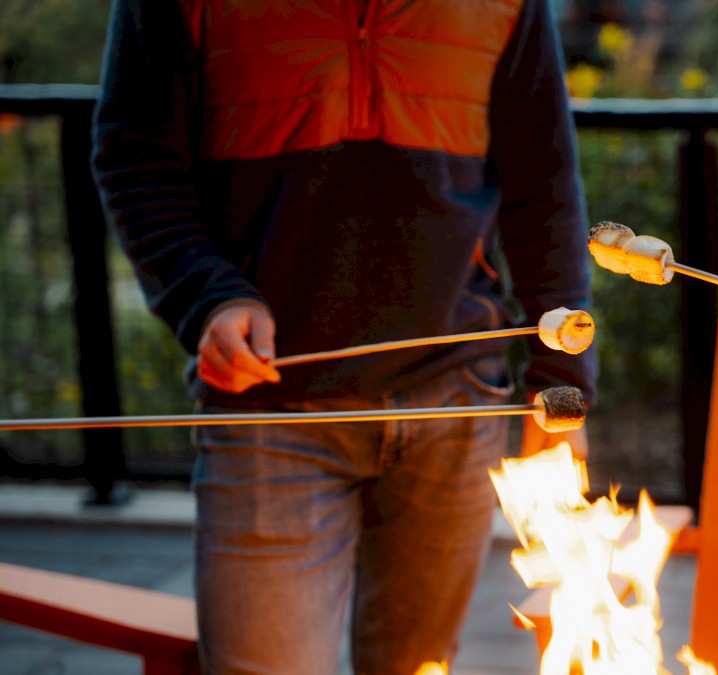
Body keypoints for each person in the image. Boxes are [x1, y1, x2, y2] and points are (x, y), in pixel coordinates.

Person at [91, 0, 596, 672]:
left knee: (418, 665)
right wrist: (209, 298)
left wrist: (564, 388)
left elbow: (545, 179)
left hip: (458, 403)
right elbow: (134, 157)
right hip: (270, 414)